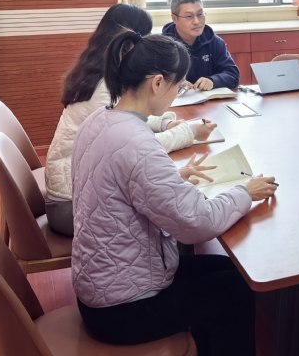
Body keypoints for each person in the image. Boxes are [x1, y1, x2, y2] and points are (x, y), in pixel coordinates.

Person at [72, 30, 277, 355]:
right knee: (235, 292)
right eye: (178, 87)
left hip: (103, 283)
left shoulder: (100, 120)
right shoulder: (136, 142)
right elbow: (198, 223)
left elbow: (119, 185)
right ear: (157, 83)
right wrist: (245, 192)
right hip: (123, 308)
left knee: (230, 272)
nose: (177, 95)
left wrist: (173, 177)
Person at [45, 4, 215, 236]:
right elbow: (137, 147)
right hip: (71, 204)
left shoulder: (96, 70)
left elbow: (129, 117)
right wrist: (190, 132)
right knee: (172, 214)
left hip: (75, 190)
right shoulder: (103, 87)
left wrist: (164, 123)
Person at [162, 0, 240, 90]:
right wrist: (174, 82)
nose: (196, 21)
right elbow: (152, 80)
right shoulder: (162, 46)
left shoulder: (214, 42)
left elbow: (233, 75)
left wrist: (213, 80)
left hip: (208, 99)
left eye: (200, 14)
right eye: (189, 16)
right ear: (174, 18)